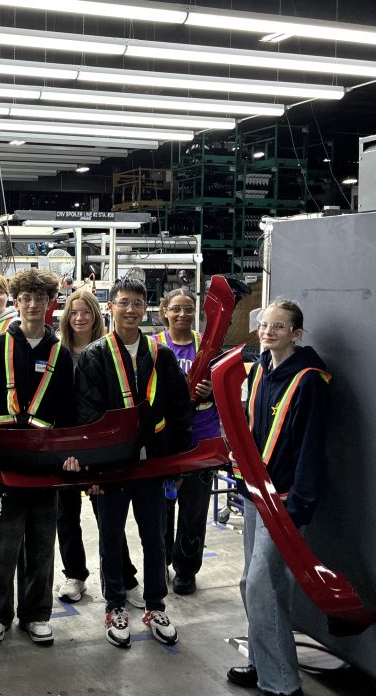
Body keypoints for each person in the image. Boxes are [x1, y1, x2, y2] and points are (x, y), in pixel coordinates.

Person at [71, 276, 192, 649]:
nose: (130, 310)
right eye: (123, 302)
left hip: (152, 464)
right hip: (111, 467)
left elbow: (179, 411)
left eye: (137, 304)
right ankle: (114, 606)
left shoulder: (161, 355)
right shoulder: (95, 355)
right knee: (110, 537)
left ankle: (155, 605)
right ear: (111, 307)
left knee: (155, 537)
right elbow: (86, 417)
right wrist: (91, 468)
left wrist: (179, 462)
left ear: (147, 310)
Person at [0, 268, 75, 647]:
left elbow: (69, 413)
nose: (31, 305)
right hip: (4, 463)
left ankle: (36, 614)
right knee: (2, 543)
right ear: (17, 303)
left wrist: (70, 454)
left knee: (43, 543)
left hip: (46, 466)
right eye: (25, 298)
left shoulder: (60, 354)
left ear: (49, 304)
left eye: (39, 298)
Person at [226, 299, 329, 696]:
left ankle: (283, 684)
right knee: (260, 584)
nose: (268, 332)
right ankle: (261, 661)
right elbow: (253, 428)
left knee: (259, 585)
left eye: (279, 327)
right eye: (265, 325)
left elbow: (311, 447)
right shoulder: (262, 370)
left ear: (297, 334)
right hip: (255, 492)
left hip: (284, 501)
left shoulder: (309, 380)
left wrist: (298, 505)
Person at [152, 287, 221, 596]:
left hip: (201, 438)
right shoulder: (153, 346)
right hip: (165, 440)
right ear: (164, 311)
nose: (182, 314)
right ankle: (162, 560)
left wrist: (212, 390)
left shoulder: (208, 347)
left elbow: (228, 392)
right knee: (162, 507)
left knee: (193, 510)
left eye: (189, 309)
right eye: (176, 309)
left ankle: (186, 569)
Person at [53, 287, 105, 604]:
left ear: (96, 316)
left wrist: (98, 457)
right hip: (64, 446)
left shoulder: (107, 352)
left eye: (86, 311)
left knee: (107, 514)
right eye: (74, 312)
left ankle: (123, 575)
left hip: (99, 447)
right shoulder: (57, 355)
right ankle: (75, 575)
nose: (80, 317)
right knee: (66, 515)